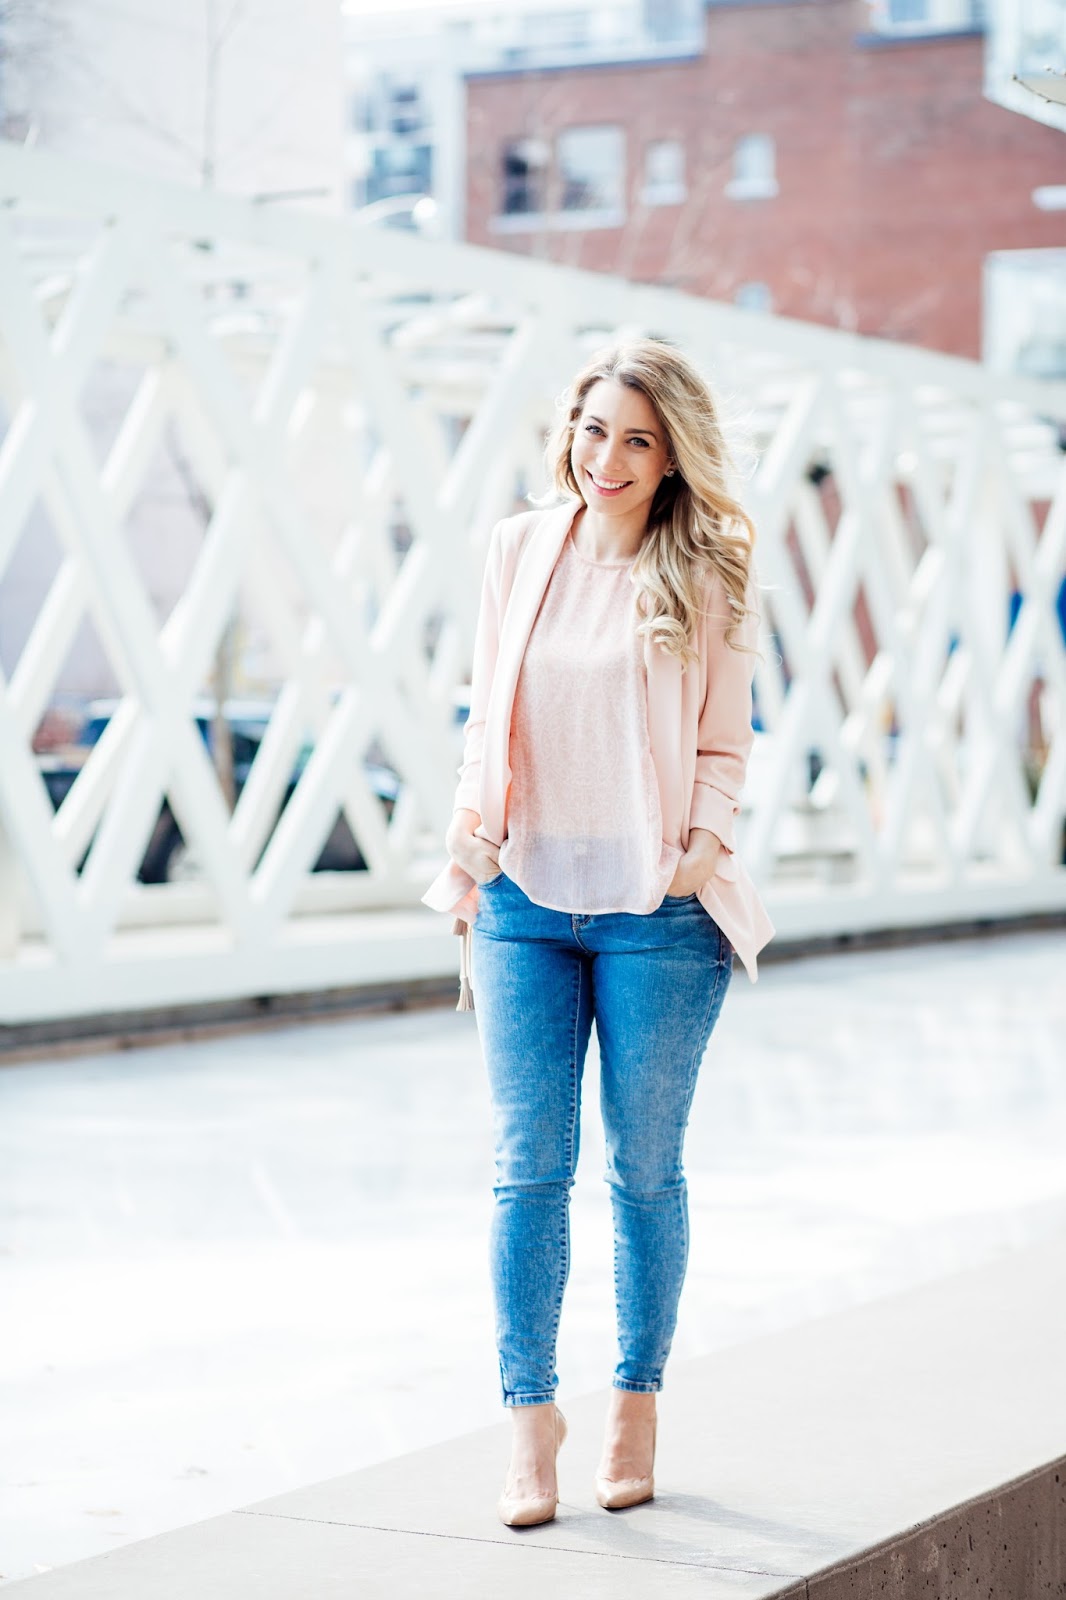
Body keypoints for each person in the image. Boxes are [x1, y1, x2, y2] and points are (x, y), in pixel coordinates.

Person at [422, 338, 774, 1527]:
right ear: (567, 431)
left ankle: (634, 1401)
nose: (606, 458)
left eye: (635, 439)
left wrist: (700, 850)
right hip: (522, 899)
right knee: (527, 1167)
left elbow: (724, 741)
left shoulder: (706, 569)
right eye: (592, 430)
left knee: (643, 1169)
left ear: (671, 456)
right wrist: (468, 827)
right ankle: (530, 1422)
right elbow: (487, 711)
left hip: (655, 915)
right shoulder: (517, 548)